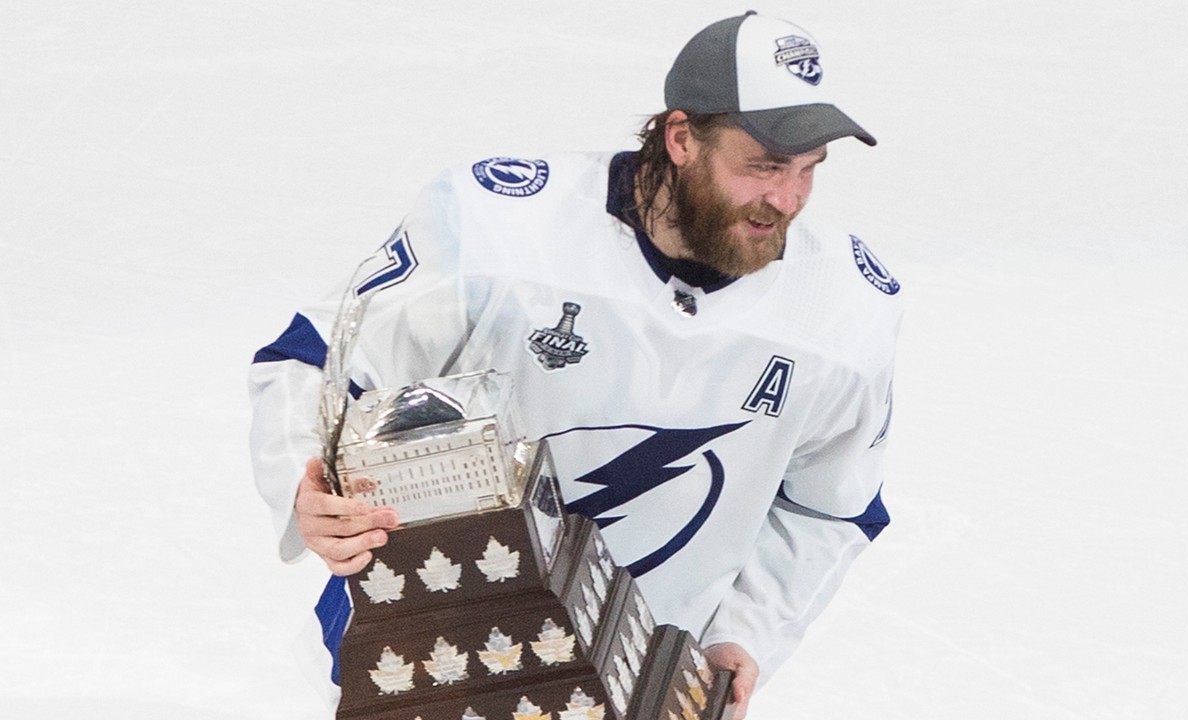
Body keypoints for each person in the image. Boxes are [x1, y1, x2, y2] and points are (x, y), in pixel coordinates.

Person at [249, 11, 902, 719]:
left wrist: (744, 637)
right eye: (765, 166)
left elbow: (830, 506)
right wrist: (303, 485)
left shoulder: (844, 310)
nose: (787, 200)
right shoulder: (499, 228)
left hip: (638, 687)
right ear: (682, 138)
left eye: (809, 170)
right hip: (433, 664)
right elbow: (313, 360)